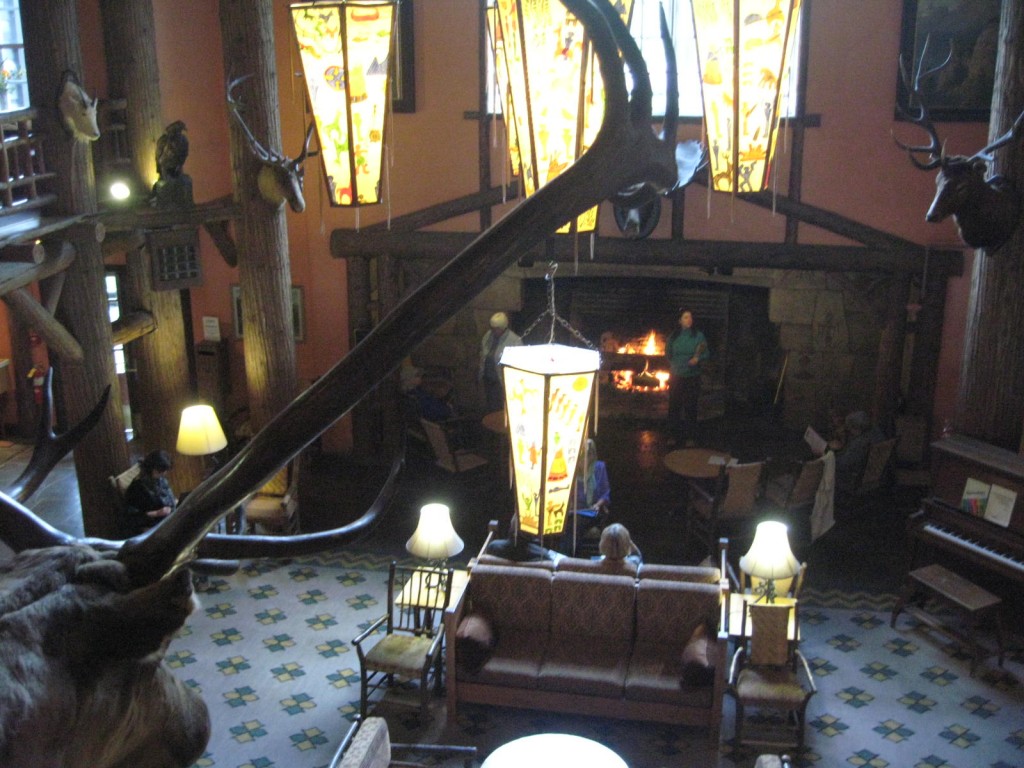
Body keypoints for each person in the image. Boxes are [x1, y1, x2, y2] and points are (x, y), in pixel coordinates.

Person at [666, 309, 710, 446]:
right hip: (676, 376)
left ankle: (691, 436)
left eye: (690, 317)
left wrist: (697, 359)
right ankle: (673, 435)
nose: (689, 319)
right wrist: (675, 365)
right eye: (686, 317)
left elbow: (705, 352)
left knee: (691, 406)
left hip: (692, 376)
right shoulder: (673, 336)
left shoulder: (698, 336)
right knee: (674, 406)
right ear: (680, 321)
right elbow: (668, 353)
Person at [560, 438, 611, 553]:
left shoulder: (599, 468)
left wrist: (598, 504)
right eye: (583, 453)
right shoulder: (571, 468)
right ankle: (570, 555)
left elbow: (605, 493)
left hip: (593, 510)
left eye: (590, 453)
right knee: (568, 522)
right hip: (573, 510)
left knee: (575, 522)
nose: (587, 456)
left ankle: (566, 555)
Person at [122, 449, 177, 537]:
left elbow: (169, 499)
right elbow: (131, 517)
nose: (163, 474)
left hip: (167, 520)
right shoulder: (137, 487)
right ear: (152, 468)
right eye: (160, 471)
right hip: (150, 525)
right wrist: (157, 513)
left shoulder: (160, 480)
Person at [479, 311, 522, 412]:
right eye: (492, 328)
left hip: (502, 382)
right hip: (489, 380)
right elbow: (483, 356)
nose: (493, 331)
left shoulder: (514, 341)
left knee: (502, 408)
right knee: (491, 406)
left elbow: (518, 365)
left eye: (496, 329)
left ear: (503, 328)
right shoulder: (488, 336)